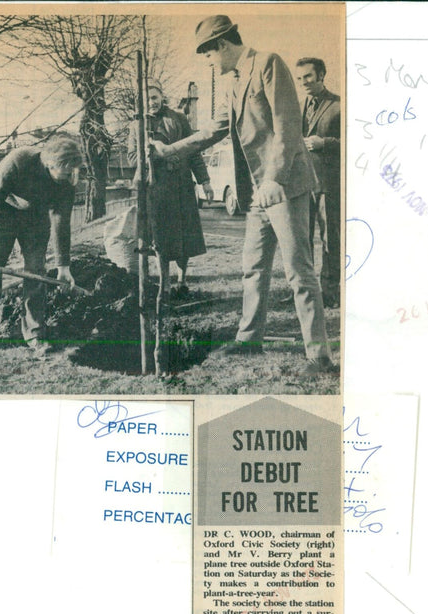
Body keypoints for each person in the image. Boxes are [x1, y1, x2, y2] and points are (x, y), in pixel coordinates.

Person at [149, 15, 335, 376]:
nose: (209, 62)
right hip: (258, 194)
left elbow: (288, 126)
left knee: (299, 272)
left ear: (222, 44)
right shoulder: (234, 82)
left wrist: (274, 180)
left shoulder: (268, 63)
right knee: (252, 267)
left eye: (208, 55)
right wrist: (169, 151)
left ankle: (320, 358)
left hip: (284, 186)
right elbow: (213, 130)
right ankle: (249, 340)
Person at [0, 135, 83, 356]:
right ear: (50, 164)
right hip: (2, 212)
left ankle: (35, 332)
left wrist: (64, 267)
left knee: (36, 272)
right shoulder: (18, 161)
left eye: (74, 171)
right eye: (66, 172)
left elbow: (61, 222)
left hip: (35, 219)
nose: (71, 176)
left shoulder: (67, 182)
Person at [127, 80, 214, 298]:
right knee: (161, 237)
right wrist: (147, 155)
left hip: (182, 186)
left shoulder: (178, 119)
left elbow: (194, 151)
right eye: (146, 100)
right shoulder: (136, 125)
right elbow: (131, 157)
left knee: (185, 236)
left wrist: (205, 181)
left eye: (154, 98)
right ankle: (165, 284)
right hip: (156, 190)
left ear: (162, 97)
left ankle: (182, 280)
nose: (151, 103)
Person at [296, 57, 341, 309]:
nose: (304, 82)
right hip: (303, 184)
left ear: (322, 75)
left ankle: (330, 292)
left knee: (328, 240)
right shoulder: (298, 106)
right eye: (300, 78)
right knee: (302, 240)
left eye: (308, 77)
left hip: (327, 184)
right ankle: (307, 292)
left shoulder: (339, 105)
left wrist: (325, 143)